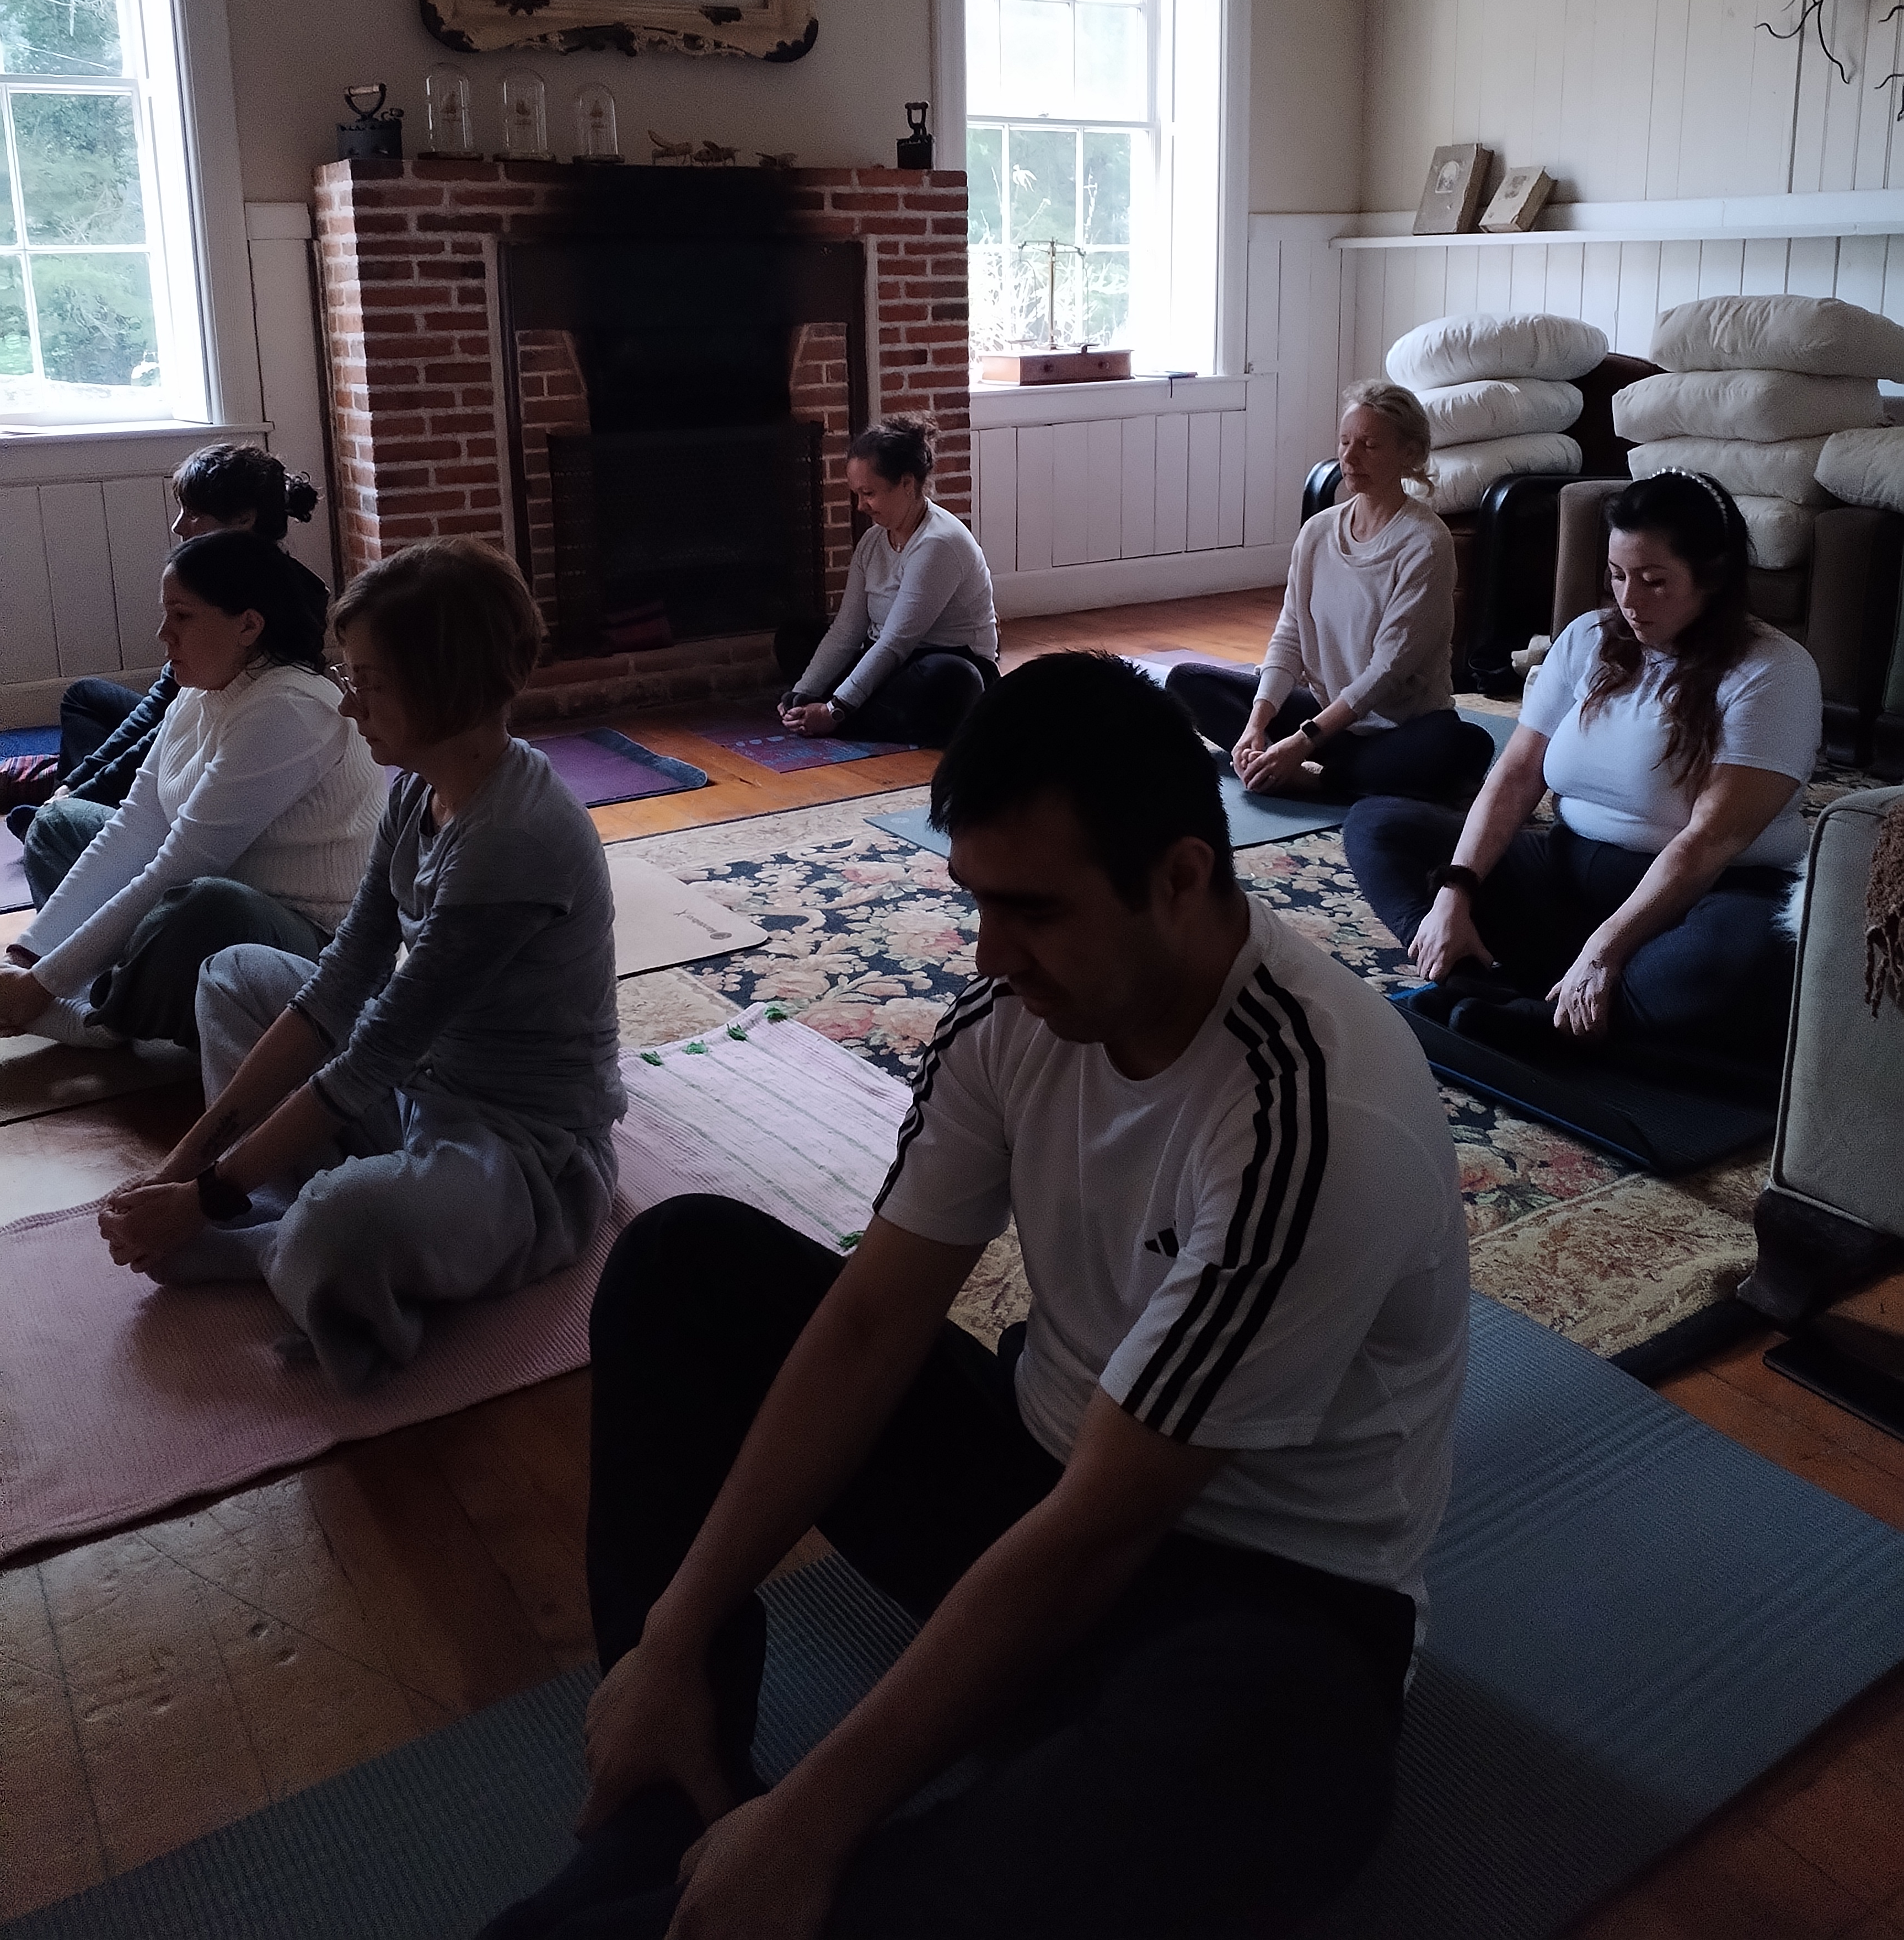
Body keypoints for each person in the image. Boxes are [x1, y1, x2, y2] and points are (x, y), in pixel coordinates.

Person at [486, 652, 1467, 1940]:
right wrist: (673, 1633)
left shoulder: (1308, 1116)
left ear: (1180, 879)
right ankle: (670, 1788)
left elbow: (1104, 1529)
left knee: (1271, 1755)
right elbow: (869, 1324)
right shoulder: (1014, 1018)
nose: (993, 954)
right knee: (681, 1264)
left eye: (1036, 911)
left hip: (1255, 1590)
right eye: (977, 903)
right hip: (1039, 1479)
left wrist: (815, 1821)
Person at [93, 538, 624, 1395]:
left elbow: (373, 1051)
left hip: (526, 1156)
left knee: (338, 1226)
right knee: (231, 975)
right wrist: (178, 1171)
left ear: (441, 684)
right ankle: (281, 1218)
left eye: (368, 682)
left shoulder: (514, 841)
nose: (348, 704)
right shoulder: (415, 789)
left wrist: (203, 1201)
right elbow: (341, 985)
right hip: (418, 1091)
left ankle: (277, 1239)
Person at [1343, 469, 1823, 1079]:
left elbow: (1708, 843)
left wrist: (1605, 948)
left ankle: (1550, 1018)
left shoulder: (1774, 672)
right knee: (1379, 825)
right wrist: (1455, 893)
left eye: (1654, 581)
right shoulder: (1587, 639)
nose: (1630, 600)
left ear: (1714, 576)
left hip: (1704, 897)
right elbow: (1517, 774)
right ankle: (1471, 973)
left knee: (1749, 953)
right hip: (1567, 875)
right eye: (1618, 576)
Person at [0, 533, 380, 1052]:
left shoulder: (290, 708)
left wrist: (39, 987)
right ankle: (104, 984)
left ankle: (101, 1016)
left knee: (205, 905)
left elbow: (181, 864)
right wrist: (26, 956)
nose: (163, 634)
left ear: (248, 626)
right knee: (56, 824)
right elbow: (135, 827)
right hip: (200, 894)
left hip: (310, 943)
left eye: (181, 616)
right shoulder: (197, 693)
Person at [3, 442, 328, 908]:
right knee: (85, 697)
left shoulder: (281, 603)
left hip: (223, 739)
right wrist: (73, 788)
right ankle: (70, 803)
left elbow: (167, 730)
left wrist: (89, 793)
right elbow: (163, 704)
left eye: (193, 513)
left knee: (130, 786)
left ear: (243, 519)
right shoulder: (209, 577)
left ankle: (76, 813)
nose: (179, 526)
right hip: (191, 726)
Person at [1167, 383, 1493, 808]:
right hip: (1326, 719)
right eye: (1345, 442)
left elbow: (1387, 672)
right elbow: (1290, 635)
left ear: (1409, 454)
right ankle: (1281, 764)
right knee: (1187, 682)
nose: (1349, 458)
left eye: (1369, 445)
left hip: (1396, 728)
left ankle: (1315, 783)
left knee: (1458, 745)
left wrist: (1303, 742)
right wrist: (1256, 726)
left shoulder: (1426, 543)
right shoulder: (1318, 532)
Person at [777, 418, 999, 748]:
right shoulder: (872, 541)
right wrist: (803, 691)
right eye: (857, 494)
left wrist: (835, 710)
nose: (860, 506)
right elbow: (847, 630)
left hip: (938, 662)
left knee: (952, 679)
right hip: (886, 659)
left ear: (907, 484)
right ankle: (840, 711)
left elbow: (896, 643)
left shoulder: (938, 543)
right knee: (794, 637)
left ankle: (843, 718)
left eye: (869, 494)